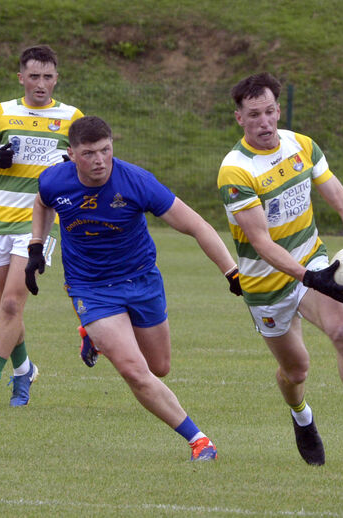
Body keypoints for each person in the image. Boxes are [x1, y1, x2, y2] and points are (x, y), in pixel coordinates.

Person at [25, 115, 241, 461]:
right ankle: (200, 441)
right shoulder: (54, 180)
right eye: (88, 153)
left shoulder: (137, 182)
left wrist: (231, 271)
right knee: (134, 371)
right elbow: (42, 202)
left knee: (159, 367)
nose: (99, 160)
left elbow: (197, 226)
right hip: (90, 288)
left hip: (141, 280)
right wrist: (36, 245)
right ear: (72, 154)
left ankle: (93, 335)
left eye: (105, 150)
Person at [217, 72, 343, 465]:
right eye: (254, 115)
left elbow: (342, 201)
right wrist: (311, 278)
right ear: (239, 118)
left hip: (311, 257)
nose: (264, 122)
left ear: (279, 110)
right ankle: (301, 416)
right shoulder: (235, 171)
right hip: (265, 283)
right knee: (296, 372)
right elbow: (261, 243)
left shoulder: (302, 146)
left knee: (342, 331)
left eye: (269, 111)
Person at [0, 45, 84, 407]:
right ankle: (24, 369)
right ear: (21, 78)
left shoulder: (71, 117)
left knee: (13, 304)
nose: (41, 83)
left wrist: (72, 166)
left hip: (40, 224)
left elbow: (92, 164)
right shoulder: (2, 113)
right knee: (0, 306)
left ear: (56, 79)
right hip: (0, 220)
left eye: (47, 77)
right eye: (34, 76)